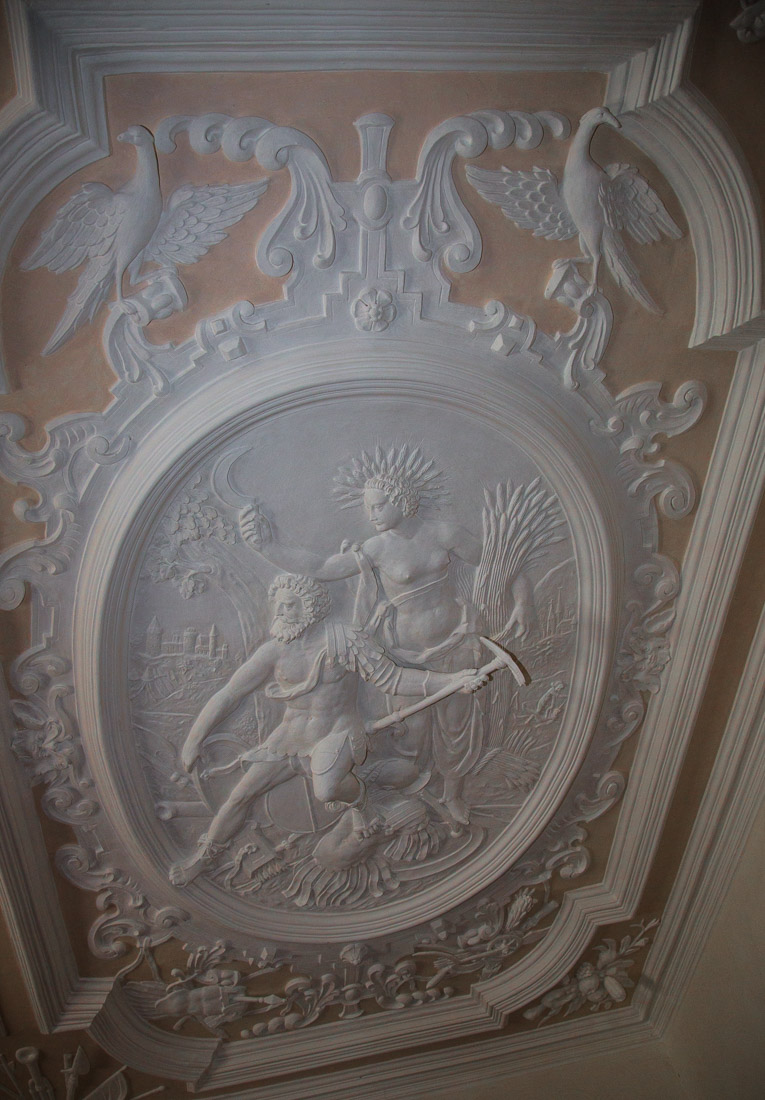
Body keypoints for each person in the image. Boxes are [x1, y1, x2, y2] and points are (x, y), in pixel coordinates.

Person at [239, 444, 532, 824]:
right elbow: (323, 567)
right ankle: (413, 791)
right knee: (410, 728)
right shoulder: (376, 547)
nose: (371, 514)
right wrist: (267, 547)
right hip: (403, 654)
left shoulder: (445, 534)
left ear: (401, 501)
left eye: (378, 506)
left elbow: (499, 565)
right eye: (367, 507)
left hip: (456, 643)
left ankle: (454, 793)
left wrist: (523, 601)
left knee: (457, 725)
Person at [170, 573, 486, 886]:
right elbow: (229, 694)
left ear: (310, 608)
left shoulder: (342, 641)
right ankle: (204, 858)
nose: (280, 612)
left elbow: (393, 678)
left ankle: (364, 804)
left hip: (337, 733)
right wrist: (194, 739)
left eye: (289, 605)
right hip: (289, 738)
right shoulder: (275, 650)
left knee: (326, 789)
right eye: (278, 605)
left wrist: (452, 681)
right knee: (239, 796)